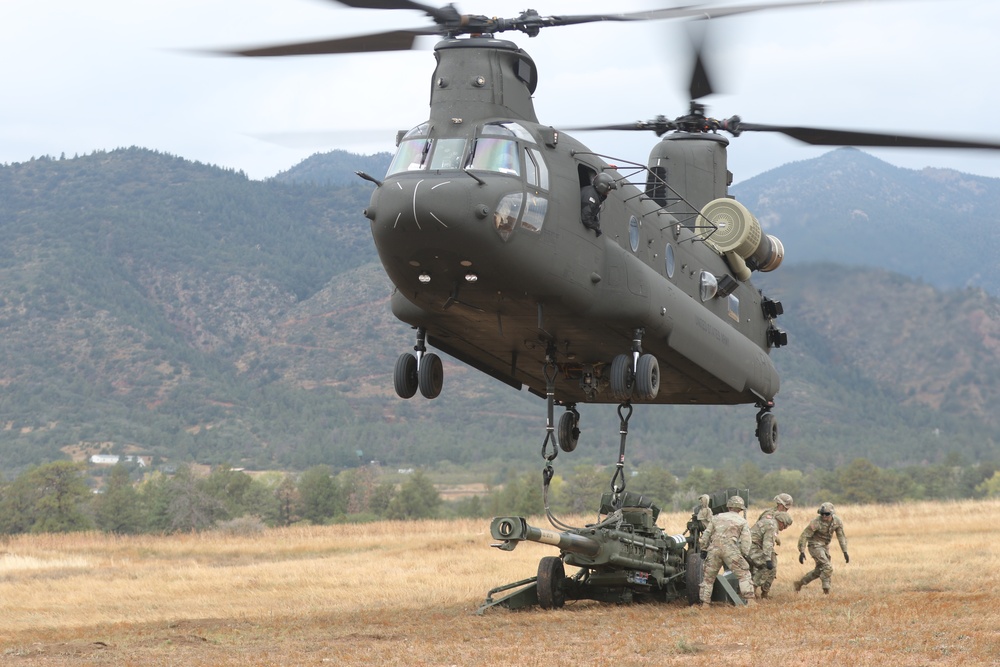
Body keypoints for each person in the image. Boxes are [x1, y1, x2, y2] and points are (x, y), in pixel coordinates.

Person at [698, 495, 755, 606]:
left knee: (708, 578)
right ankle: (751, 601)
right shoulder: (742, 521)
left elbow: (706, 534)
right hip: (731, 551)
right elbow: (746, 541)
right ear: (740, 509)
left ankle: (705, 603)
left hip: (714, 550)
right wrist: (744, 554)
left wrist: (704, 549)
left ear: (729, 506)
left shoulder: (717, 517)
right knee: (744, 574)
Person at [794, 502, 849, 595]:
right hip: (814, 545)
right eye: (822, 514)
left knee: (819, 570)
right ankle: (826, 591)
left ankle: (800, 583)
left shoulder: (837, 522)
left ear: (832, 514)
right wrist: (802, 551)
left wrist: (845, 551)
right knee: (827, 567)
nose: (824, 516)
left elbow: (841, 537)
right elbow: (804, 536)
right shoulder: (815, 522)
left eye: (827, 514)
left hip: (825, 546)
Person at [748, 511, 792, 599]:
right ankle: (750, 590)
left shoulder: (768, 521)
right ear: (781, 522)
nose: (784, 528)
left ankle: (761, 592)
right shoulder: (773, 526)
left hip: (749, 547)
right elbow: (767, 544)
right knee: (767, 566)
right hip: (751, 548)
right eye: (785, 525)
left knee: (770, 566)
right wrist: (768, 560)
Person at [580, 172, 616, 237]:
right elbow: (586, 218)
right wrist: (596, 227)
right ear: (602, 187)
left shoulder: (593, 193)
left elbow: (592, 211)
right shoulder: (591, 197)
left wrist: (596, 221)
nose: (609, 192)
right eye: (608, 189)